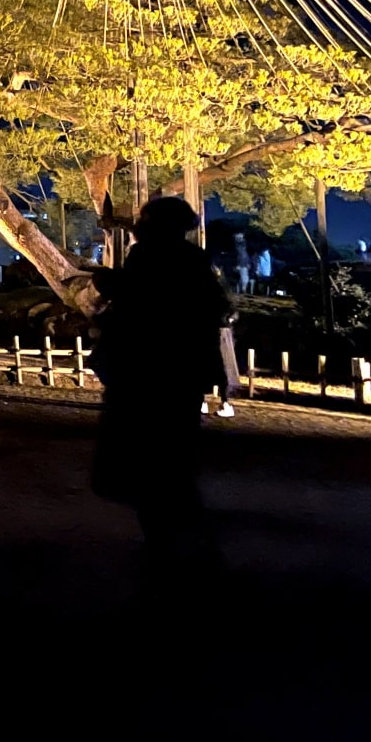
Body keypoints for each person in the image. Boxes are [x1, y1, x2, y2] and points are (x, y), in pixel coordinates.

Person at [90, 196, 232, 578]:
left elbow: (141, 303)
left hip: (145, 375)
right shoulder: (194, 261)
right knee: (171, 462)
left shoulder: (151, 257)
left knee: (149, 463)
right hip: (180, 377)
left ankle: (169, 548)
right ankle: (180, 543)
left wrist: (109, 284)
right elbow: (207, 315)